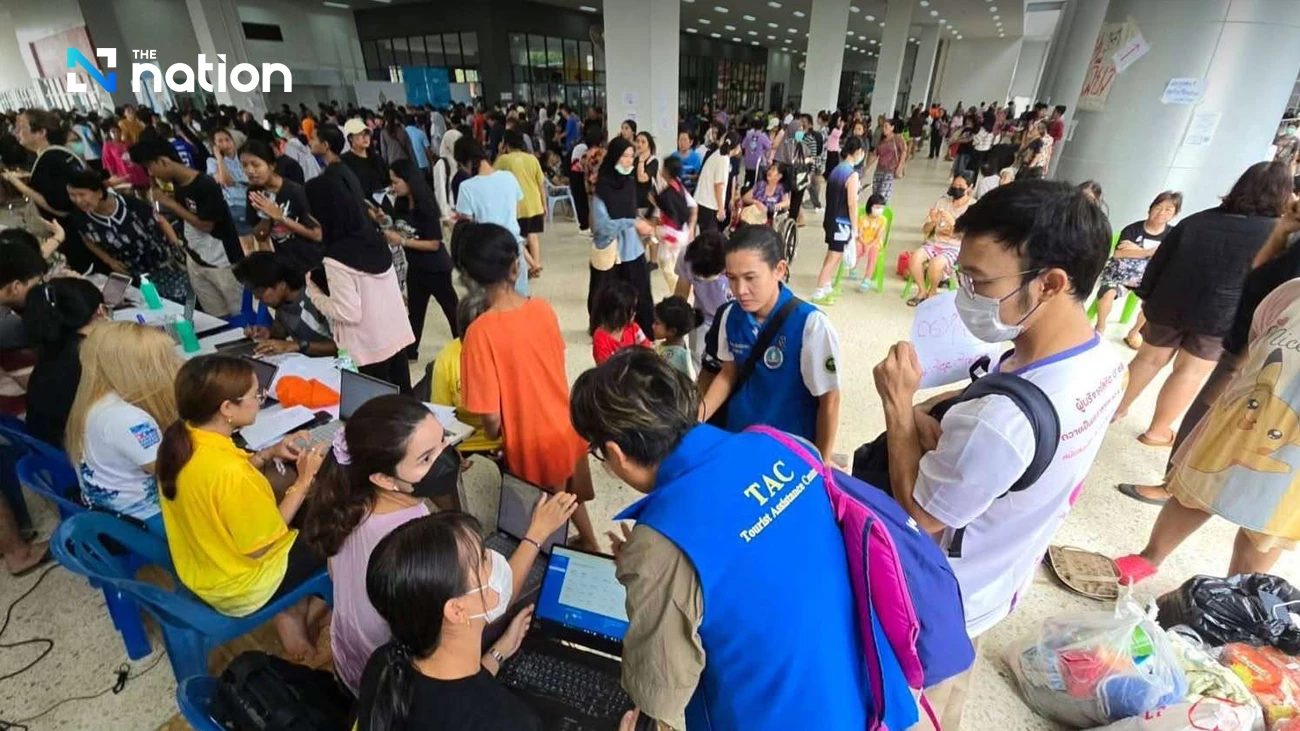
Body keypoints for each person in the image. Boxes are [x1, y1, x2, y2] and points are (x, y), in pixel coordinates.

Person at [871, 180, 1122, 728]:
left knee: (916, 706)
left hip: (943, 597)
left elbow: (921, 514)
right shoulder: (1104, 363)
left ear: (1051, 283)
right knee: (952, 691)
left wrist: (898, 405)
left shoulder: (1002, 422)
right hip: (1001, 575)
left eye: (980, 282)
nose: (965, 294)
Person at [571, 348, 872, 731]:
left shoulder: (661, 545)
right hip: (859, 695)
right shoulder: (785, 445)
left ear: (616, 453)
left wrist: (650, 574)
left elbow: (659, 693)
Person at [299, 393, 539, 695]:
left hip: (350, 664)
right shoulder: (416, 532)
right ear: (385, 479)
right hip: (394, 690)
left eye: (443, 440)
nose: (445, 457)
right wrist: (536, 534)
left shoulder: (349, 500)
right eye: (426, 458)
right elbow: (490, 599)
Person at [157, 355, 328, 661]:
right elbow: (263, 547)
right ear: (226, 409)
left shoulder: (182, 441)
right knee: (342, 523)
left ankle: (293, 611)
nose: (261, 400)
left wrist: (267, 453)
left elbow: (219, 489)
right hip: (246, 585)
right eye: (256, 395)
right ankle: (302, 610)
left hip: (207, 571)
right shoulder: (229, 474)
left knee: (307, 508)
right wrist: (303, 480)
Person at [1115, 162, 1293, 446]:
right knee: (1189, 372)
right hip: (1221, 317)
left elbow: (1159, 262)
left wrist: (1147, 296)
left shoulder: (1197, 220)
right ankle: (1157, 432)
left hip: (1169, 304)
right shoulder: (1277, 235)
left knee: (1147, 359)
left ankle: (1113, 411)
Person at [452, 222, 599, 551]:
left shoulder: (479, 333)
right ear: (516, 265)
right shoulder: (542, 309)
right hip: (566, 425)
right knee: (567, 497)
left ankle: (552, 564)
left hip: (532, 441)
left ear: (471, 277)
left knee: (543, 514)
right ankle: (591, 544)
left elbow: (490, 418)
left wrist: (494, 436)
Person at [353, 513, 548, 731]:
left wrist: (497, 654)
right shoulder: (513, 722)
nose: (495, 558)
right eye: (483, 559)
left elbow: (448, 697)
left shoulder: (383, 665)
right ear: (457, 610)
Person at [700, 225, 842, 459]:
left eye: (750, 278)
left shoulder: (811, 325)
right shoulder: (729, 316)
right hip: (740, 439)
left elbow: (830, 400)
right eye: (732, 279)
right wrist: (695, 421)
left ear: (779, 270)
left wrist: (823, 462)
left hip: (788, 451)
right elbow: (727, 374)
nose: (740, 290)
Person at [304, 157, 415, 392]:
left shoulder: (336, 257)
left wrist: (313, 292)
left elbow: (348, 312)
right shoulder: (374, 238)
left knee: (374, 410)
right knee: (402, 401)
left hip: (365, 349)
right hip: (394, 336)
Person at [64, 322, 180, 533]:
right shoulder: (129, 419)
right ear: (140, 367)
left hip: (113, 513)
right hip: (147, 520)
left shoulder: (96, 399)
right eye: (165, 359)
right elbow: (178, 474)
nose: (175, 363)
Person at [130, 139, 246, 317]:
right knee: (216, 316)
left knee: (238, 312)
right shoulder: (179, 184)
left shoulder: (205, 185)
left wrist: (169, 203)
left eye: (150, 167)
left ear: (163, 161)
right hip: (196, 258)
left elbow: (206, 225)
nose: (151, 173)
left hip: (222, 262)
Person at [65, 169, 193, 302]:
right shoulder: (80, 218)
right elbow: (88, 240)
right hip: (132, 273)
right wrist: (109, 261)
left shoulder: (130, 202)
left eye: (81, 194)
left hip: (163, 262)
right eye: (72, 195)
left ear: (98, 192)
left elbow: (160, 220)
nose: (77, 200)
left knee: (183, 301)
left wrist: (178, 247)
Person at [2, 109, 93, 271]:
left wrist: (18, 184)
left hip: (73, 235)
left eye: (22, 127)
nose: (17, 133)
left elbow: (60, 209)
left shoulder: (48, 160)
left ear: (41, 132)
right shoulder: (60, 154)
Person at [387, 158, 458, 357]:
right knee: (415, 313)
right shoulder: (400, 204)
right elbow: (398, 228)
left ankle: (465, 345)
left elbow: (434, 243)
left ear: (408, 180)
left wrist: (401, 241)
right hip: (416, 267)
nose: (393, 186)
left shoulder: (426, 203)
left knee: (451, 309)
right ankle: (411, 351)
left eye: (396, 181)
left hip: (436, 268)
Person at [22, 278, 105, 447]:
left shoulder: (52, 347)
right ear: (100, 311)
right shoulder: (86, 358)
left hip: (47, 444)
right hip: (75, 449)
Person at [1094, 191, 1183, 344]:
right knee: (1108, 291)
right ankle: (1100, 328)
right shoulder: (1133, 229)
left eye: (1168, 209)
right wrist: (1149, 252)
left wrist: (1135, 250)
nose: (1161, 212)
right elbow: (1119, 254)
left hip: (1150, 280)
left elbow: (1170, 259)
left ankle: (1134, 333)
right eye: (1158, 207)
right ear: (1150, 208)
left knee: (1155, 302)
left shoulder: (1173, 234)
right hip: (1121, 277)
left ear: (1174, 214)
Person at [590, 137, 656, 337]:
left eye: (631, 156)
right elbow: (601, 227)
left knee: (642, 297)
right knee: (612, 302)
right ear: (614, 158)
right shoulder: (602, 188)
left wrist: (642, 223)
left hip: (633, 250)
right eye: (625, 156)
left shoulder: (628, 182)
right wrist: (632, 223)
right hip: (612, 254)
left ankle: (644, 339)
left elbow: (630, 211)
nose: (629, 161)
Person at [453, 137, 532, 296]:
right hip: (514, 249)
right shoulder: (509, 178)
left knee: (492, 304)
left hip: (486, 253)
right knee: (519, 300)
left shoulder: (467, 188)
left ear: (467, 161)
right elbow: (515, 215)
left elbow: (467, 228)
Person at [428, 291, 502, 455]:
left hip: (506, 440)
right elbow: (441, 417)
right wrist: (451, 451)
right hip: (464, 444)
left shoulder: (509, 351)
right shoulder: (446, 359)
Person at [238, 139, 323, 275]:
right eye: (244, 165)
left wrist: (281, 217)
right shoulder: (254, 193)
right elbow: (260, 236)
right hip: (286, 263)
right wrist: (266, 215)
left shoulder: (295, 191)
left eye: (255, 165)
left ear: (271, 166)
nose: (250, 171)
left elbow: (317, 235)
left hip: (311, 262)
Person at [231, 252, 337, 357]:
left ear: (282, 285)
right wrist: (268, 334)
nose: (257, 297)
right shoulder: (281, 305)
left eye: (260, 292)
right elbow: (280, 331)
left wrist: (296, 345)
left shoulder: (315, 299)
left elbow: (342, 347)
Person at [812, 135, 865, 305]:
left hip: (830, 218)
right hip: (842, 222)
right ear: (857, 152)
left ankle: (826, 284)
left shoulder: (836, 169)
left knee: (831, 253)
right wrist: (855, 228)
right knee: (835, 255)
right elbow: (851, 203)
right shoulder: (852, 175)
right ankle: (819, 291)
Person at [908, 174, 974, 306]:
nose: (956, 189)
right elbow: (925, 230)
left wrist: (953, 223)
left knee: (936, 263)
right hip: (935, 243)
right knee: (915, 257)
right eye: (954, 185)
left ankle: (932, 293)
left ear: (970, 187)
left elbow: (970, 236)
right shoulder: (942, 202)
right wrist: (933, 221)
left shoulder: (973, 207)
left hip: (956, 247)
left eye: (961, 186)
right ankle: (921, 291)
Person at [492, 130, 546, 278]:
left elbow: (490, 173)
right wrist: (544, 204)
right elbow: (540, 184)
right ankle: (536, 264)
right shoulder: (532, 159)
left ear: (506, 144)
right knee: (532, 236)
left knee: (518, 238)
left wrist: (499, 153)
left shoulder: (504, 160)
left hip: (517, 205)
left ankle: (529, 266)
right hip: (535, 203)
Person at [650, 156, 696, 291]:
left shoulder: (666, 194)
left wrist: (654, 200)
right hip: (683, 232)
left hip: (672, 234)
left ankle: (679, 293)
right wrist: (691, 228)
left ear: (666, 171)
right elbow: (693, 206)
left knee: (668, 268)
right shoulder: (679, 187)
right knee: (676, 265)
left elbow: (665, 210)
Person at [205, 129, 254, 253]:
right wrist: (219, 158)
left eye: (228, 139)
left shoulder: (243, 156)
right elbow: (225, 181)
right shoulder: (212, 162)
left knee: (263, 239)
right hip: (235, 206)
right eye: (220, 141)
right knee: (247, 245)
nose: (225, 144)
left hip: (253, 202)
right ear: (215, 145)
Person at [591, 281, 650, 365]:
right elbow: (606, 368)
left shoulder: (634, 328)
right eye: (631, 309)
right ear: (616, 312)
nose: (635, 313)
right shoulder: (600, 338)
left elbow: (647, 348)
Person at [695, 131, 740, 233]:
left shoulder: (718, 154)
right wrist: (721, 209)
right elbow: (719, 185)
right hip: (708, 205)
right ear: (737, 147)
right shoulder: (723, 159)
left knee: (706, 237)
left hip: (703, 203)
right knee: (710, 239)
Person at [847, 193, 887, 290]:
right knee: (857, 250)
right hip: (862, 240)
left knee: (873, 256)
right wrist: (864, 244)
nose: (880, 210)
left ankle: (867, 279)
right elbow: (859, 234)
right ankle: (853, 268)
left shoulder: (883, 220)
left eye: (881, 207)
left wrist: (869, 246)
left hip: (875, 243)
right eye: (877, 207)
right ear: (870, 206)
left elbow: (878, 237)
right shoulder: (862, 218)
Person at [653, 296, 699, 378]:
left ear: (672, 331)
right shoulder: (669, 344)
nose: (652, 326)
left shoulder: (675, 359)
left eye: (656, 323)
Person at [341, 118, 389, 199]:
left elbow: (386, 181)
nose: (365, 137)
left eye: (366, 134)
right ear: (350, 138)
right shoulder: (345, 161)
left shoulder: (376, 158)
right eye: (360, 134)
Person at [633, 131, 659, 217]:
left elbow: (642, 178)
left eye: (643, 142)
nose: (639, 144)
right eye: (637, 141)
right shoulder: (634, 159)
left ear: (649, 144)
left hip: (647, 204)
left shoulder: (653, 161)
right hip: (634, 203)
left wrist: (641, 161)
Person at [670, 128, 703, 193]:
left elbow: (698, 175)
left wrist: (688, 176)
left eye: (684, 140)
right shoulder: (673, 156)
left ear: (691, 142)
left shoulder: (696, 157)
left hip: (690, 191)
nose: (682, 143)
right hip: (676, 191)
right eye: (680, 140)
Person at [741, 117, 771, 189]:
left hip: (748, 161)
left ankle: (745, 189)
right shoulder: (763, 136)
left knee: (748, 177)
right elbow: (768, 148)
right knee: (756, 180)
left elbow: (743, 145)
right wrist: (766, 158)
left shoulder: (748, 134)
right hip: (758, 162)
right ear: (762, 127)